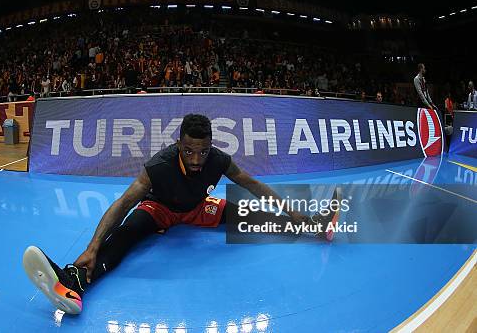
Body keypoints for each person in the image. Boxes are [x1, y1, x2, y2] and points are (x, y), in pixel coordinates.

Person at [23, 114, 341, 315]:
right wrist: (92, 247)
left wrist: (296, 214)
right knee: (126, 235)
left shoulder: (217, 160)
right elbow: (122, 203)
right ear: (178, 145)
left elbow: (252, 183)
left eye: (203, 151)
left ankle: (314, 226)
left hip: (197, 208)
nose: (196, 159)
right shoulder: (159, 166)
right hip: (159, 209)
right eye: (189, 150)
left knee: (248, 214)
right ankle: (73, 282)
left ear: (211, 146)